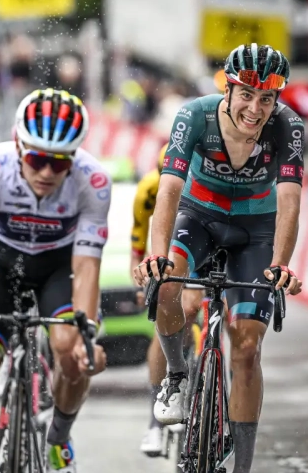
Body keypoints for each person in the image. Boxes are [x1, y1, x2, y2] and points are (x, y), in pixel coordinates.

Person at [132, 43, 303, 473]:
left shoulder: (288, 126)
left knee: (246, 347)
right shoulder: (196, 115)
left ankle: (242, 466)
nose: (256, 108)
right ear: (227, 89)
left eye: (267, 98)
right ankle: (176, 375)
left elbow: (290, 202)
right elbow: (168, 190)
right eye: (246, 94)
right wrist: (156, 257)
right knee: (169, 283)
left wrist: (280, 264)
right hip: (200, 217)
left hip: (256, 230)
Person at [0, 88, 109, 473]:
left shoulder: (92, 181)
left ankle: (59, 436)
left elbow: (87, 265)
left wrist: (87, 333)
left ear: (74, 158)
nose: (47, 172)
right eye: (37, 159)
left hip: (57, 265)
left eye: (59, 164)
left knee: (70, 350)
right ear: (17, 144)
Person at [131, 145, 206, 455]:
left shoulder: (207, 189)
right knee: (167, 314)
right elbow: (137, 242)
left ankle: (219, 383)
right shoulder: (149, 188)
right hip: (170, 249)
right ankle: (154, 420)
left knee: (201, 308)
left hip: (203, 238)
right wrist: (139, 281)